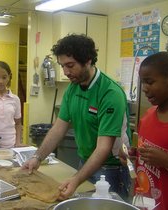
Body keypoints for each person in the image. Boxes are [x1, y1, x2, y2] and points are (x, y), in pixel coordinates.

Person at [22, 34, 132, 200]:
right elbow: (58, 128)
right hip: (86, 162)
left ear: (88, 60)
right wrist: (38, 157)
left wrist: (76, 179)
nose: (66, 72)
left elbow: (103, 148)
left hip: (110, 170)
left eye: (70, 65)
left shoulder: (110, 93)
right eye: (62, 66)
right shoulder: (73, 88)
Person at [135, 52, 168, 210]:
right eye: (143, 82)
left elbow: (165, 158)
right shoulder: (148, 115)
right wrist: (135, 155)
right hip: (145, 203)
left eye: (150, 82)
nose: (144, 89)